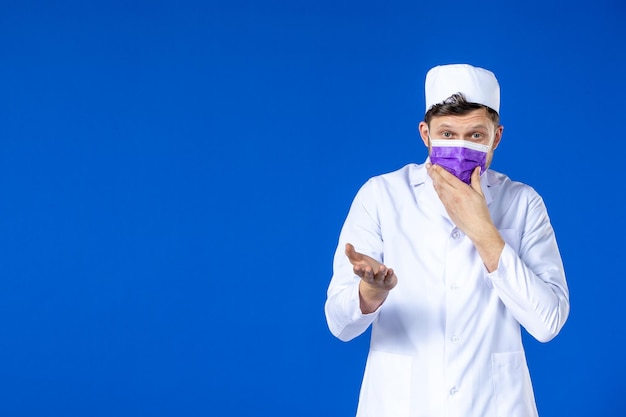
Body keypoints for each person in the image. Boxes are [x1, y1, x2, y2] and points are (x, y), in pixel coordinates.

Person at [324, 64, 570, 417]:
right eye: (447, 134)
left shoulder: (522, 202)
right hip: (400, 405)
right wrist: (370, 294)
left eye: (475, 136)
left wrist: (483, 231)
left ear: (496, 137)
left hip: (495, 405)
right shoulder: (381, 196)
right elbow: (339, 324)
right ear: (425, 134)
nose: (460, 147)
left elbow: (548, 323)